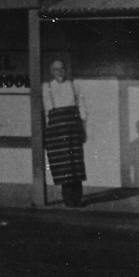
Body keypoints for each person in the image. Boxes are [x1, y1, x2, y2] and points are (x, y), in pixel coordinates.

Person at [42, 59, 87, 208]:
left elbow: (82, 109)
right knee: (64, 166)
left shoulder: (74, 86)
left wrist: (83, 130)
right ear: (51, 72)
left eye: (62, 69)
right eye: (56, 69)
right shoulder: (47, 87)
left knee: (76, 165)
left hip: (73, 130)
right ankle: (68, 200)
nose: (59, 72)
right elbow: (47, 112)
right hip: (57, 131)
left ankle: (78, 199)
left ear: (65, 70)